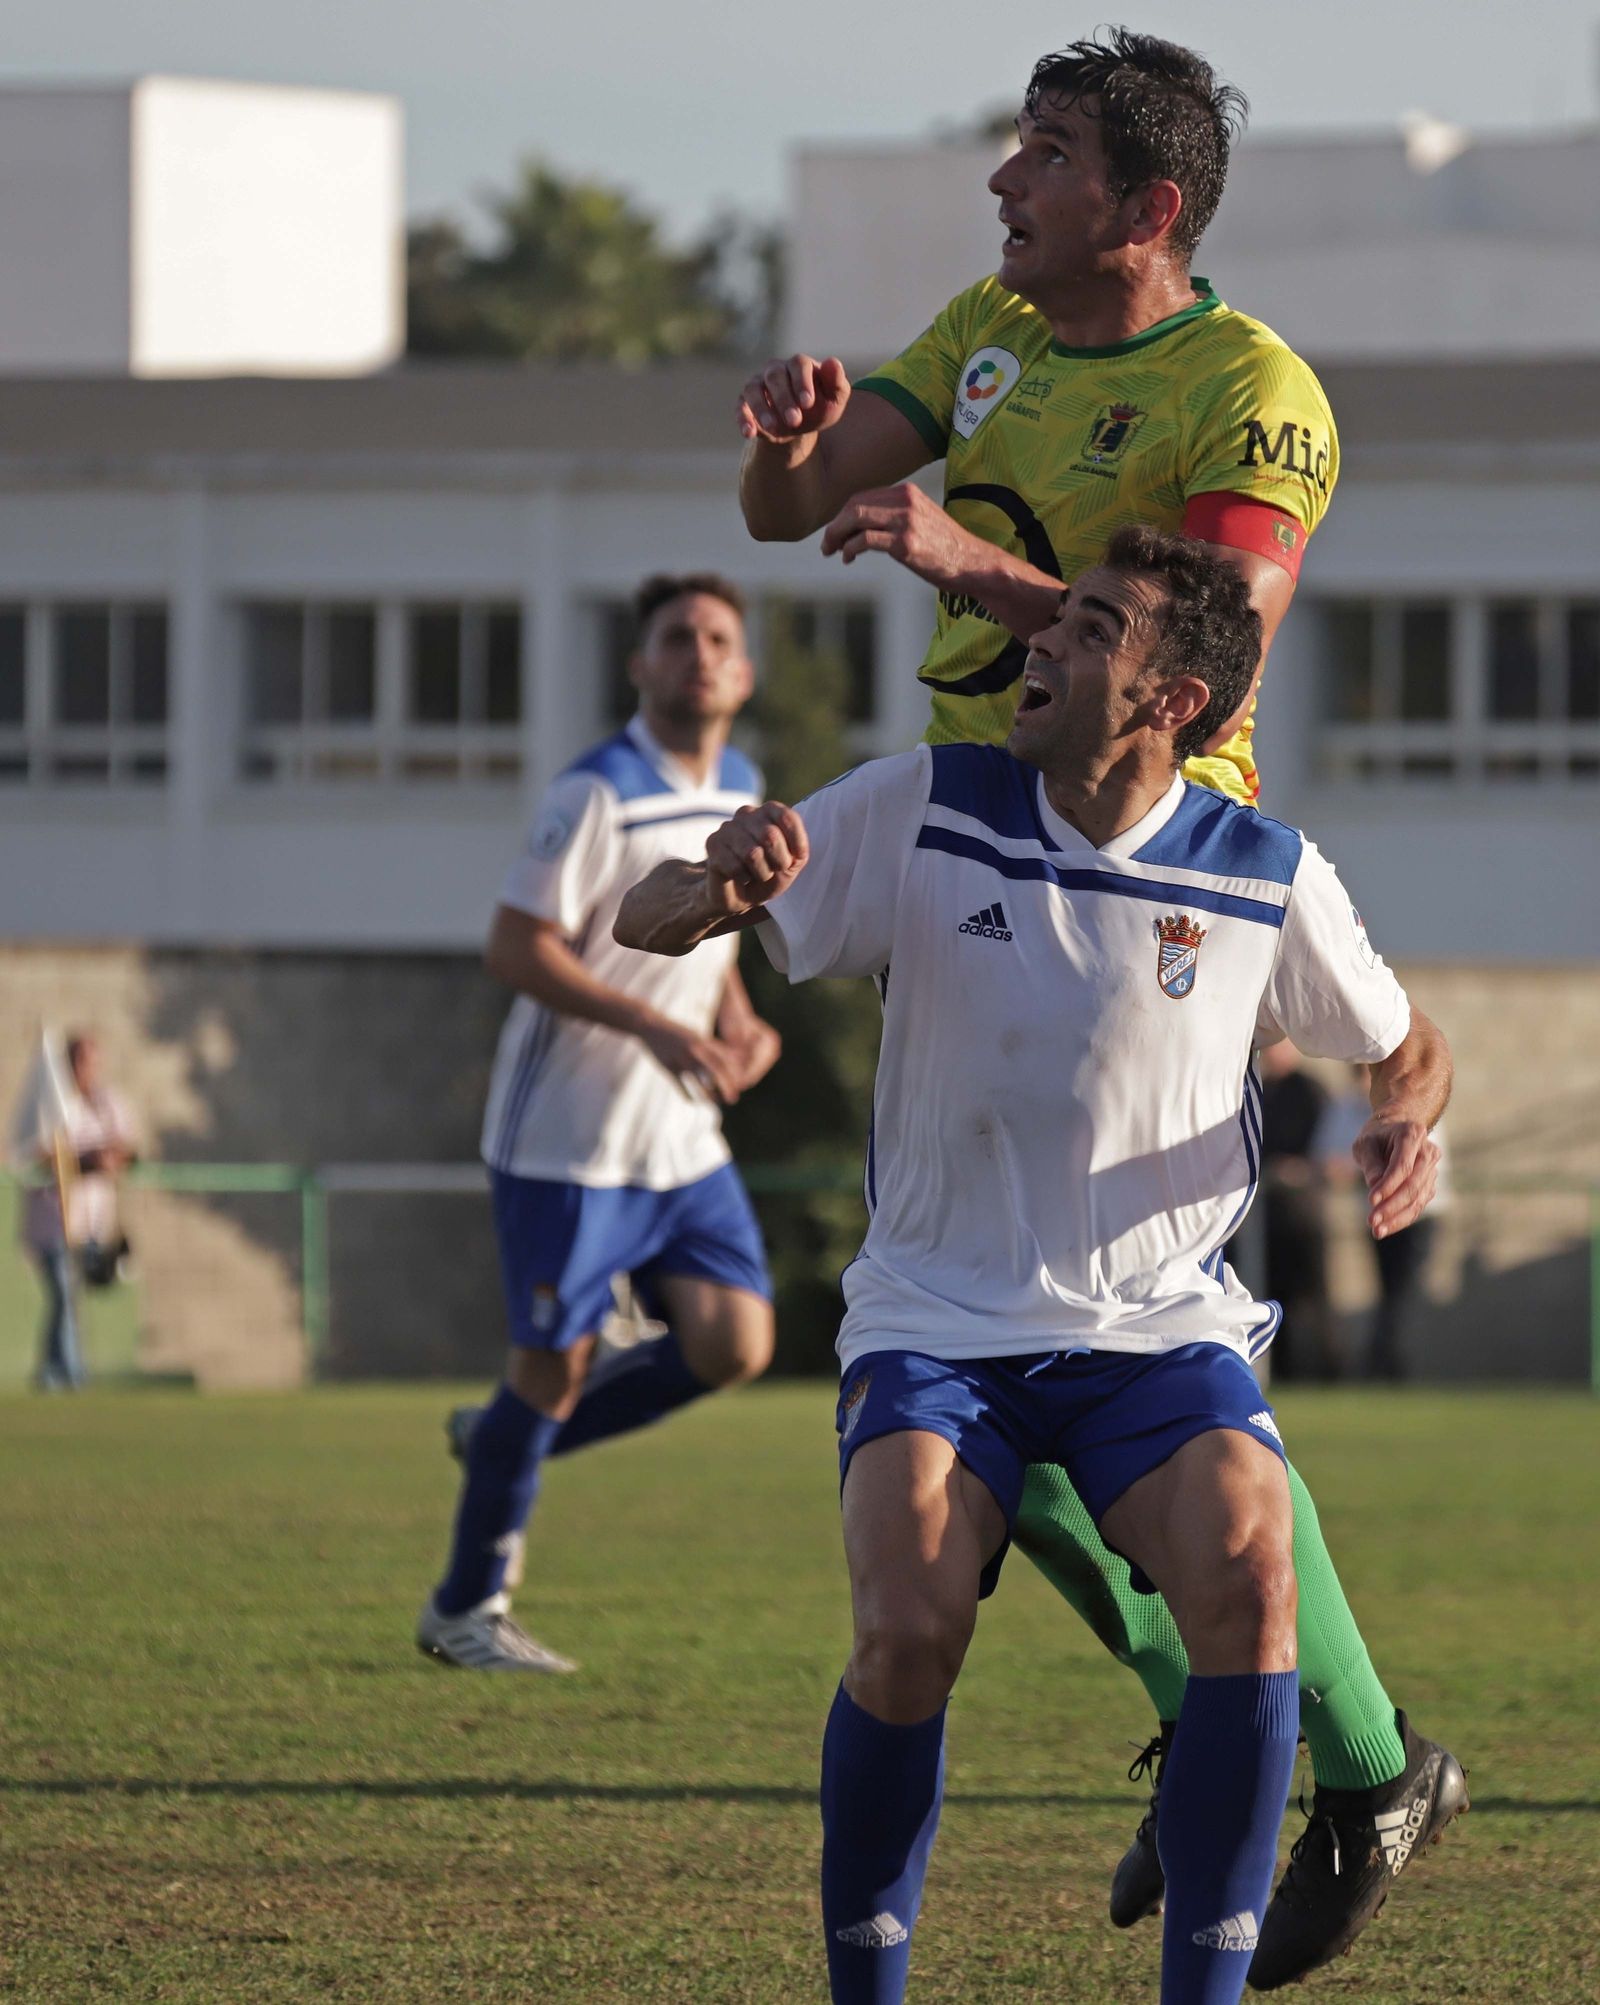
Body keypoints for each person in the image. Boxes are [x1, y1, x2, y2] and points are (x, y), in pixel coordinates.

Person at [733, 30, 1458, 1984]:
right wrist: (788, 444)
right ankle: (1277, 1735)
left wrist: (968, 557)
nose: (1001, 184)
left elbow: (1207, 669)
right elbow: (788, 508)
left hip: (1157, 896)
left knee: (1111, 1335)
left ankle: (1343, 1755)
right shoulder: (990, 330)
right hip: (976, 852)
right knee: (987, 1354)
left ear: (1145, 206)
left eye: (1042, 155)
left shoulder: (1253, 395)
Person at [616, 528, 1456, 2005]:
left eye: (1088, 629)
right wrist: (719, 885)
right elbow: (645, 915)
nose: (1039, 646)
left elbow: (1407, 1044)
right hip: (937, 1324)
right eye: (1052, 621)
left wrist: (1406, 1120)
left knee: (1254, 1579)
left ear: (1172, 700)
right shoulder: (926, 803)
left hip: (1157, 1336)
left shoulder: (1262, 870)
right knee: (906, 1629)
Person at [416, 573, 781, 1673]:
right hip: (566, 1142)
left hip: (676, 1137)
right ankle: (465, 1610)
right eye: (676, 637)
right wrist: (652, 1027)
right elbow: (516, 947)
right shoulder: (593, 792)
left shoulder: (744, 785)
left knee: (736, 1341)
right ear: (639, 665)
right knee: (549, 1371)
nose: (698, 653)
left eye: (717, 638)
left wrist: (737, 1019)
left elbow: (706, 935)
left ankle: (501, 1439)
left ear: (744, 671)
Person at [11, 1030, 138, 1391]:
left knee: (70, 1298)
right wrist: (84, 1162)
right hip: (53, 1222)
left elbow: (127, 1148)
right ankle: (71, 1372)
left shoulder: (105, 1103)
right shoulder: (51, 1105)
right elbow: (34, 1155)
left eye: (92, 1061)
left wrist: (110, 1158)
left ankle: (51, 1371)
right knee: (64, 1293)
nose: (87, 1068)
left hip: (91, 1221)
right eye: (80, 1060)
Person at [1318, 1065, 1452, 1380]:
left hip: (1418, 1216)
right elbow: (1325, 1158)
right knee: (1387, 1291)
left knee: (1402, 1295)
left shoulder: (1416, 1106)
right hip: (1378, 1215)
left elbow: (1415, 1161)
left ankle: (1388, 1365)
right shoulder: (1345, 1110)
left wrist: (1354, 1169)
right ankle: (1387, 1366)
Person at [1255, 1040, 1335, 1381]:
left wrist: (1299, 1168)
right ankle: (1284, 1371)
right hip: (1266, 1216)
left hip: (1303, 1213)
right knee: (1276, 1295)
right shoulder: (1259, 1089)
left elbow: (1325, 1149)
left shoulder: (1309, 1091)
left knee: (1313, 1296)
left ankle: (1328, 1370)